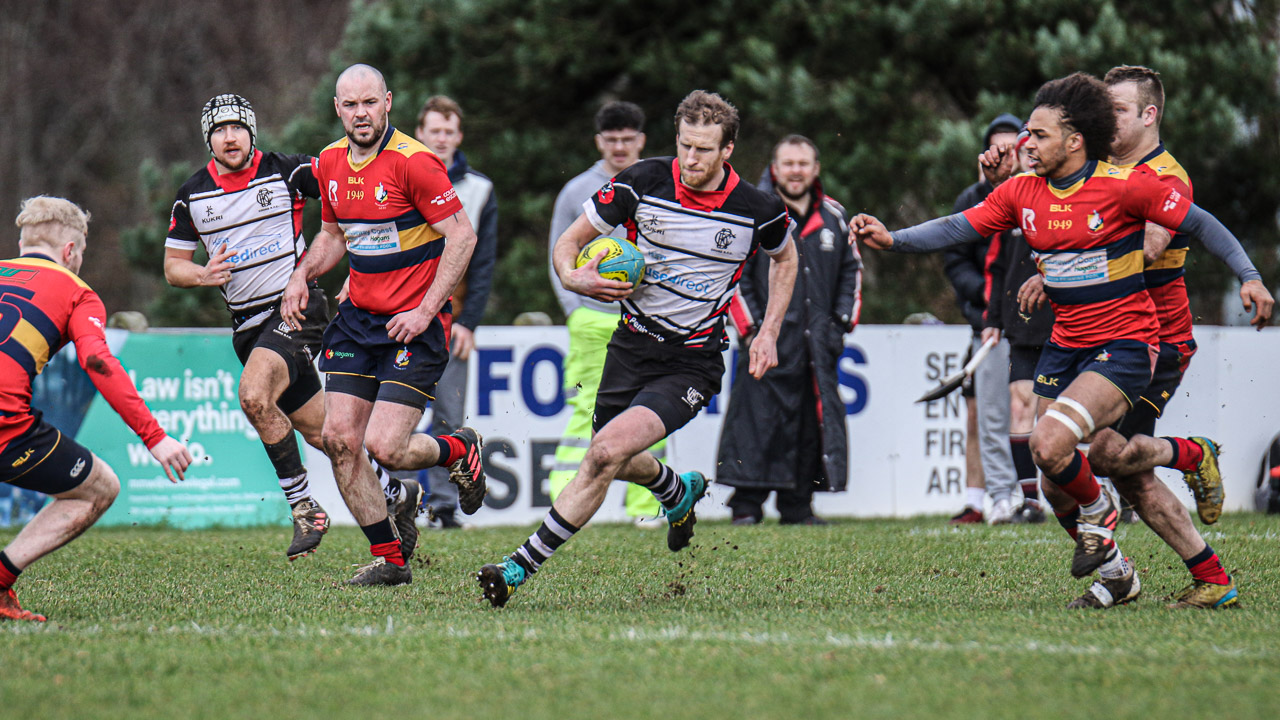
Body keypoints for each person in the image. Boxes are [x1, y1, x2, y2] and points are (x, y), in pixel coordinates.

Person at [853, 72, 1273, 609]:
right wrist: (892, 239)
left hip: (1127, 344)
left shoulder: (1129, 184)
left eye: (1039, 135)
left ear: (1075, 140)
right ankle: (1122, 574)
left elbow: (1203, 224)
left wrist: (1250, 275)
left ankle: (1113, 511)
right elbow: (961, 226)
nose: (1026, 144)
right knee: (1053, 478)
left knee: (1064, 447)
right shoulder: (1022, 191)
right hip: (1065, 345)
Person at [478, 90, 798, 607]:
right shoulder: (641, 181)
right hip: (629, 346)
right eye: (684, 146)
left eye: (704, 150)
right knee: (615, 457)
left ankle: (517, 567)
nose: (691, 160)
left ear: (728, 150)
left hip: (691, 363)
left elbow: (786, 259)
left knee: (604, 452)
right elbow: (569, 240)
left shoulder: (756, 209)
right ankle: (675, 489)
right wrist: (572, 277)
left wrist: (767, 332)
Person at [280, 64, 486, 586]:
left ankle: (458, 449)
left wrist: (423, 310)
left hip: (414, 325)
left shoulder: (415, 163)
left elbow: (462, 238)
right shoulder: (328, 161)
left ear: (388, 102)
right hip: (357, 323)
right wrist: (301, 274)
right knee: (339, 439)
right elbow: (332, 236)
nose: (361, 114)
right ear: (337, 109)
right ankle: (391, 560)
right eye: (350, 105)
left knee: (387, 448)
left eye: (369, 103)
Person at [165, 93, 369, 561]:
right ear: (208, 140)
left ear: (251, 132)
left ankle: (303, 508)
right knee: (327, 436)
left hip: (296, 308)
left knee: (254, 396)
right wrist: (202, 274)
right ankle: (397, 496)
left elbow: (347, 191)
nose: (229, 136)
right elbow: (173, 266)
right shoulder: (192, 195)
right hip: (248, 329)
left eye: (237, 127)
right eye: (219, 130)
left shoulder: (286, 170)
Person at [1, 196, 193, 621]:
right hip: (5, 429)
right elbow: (97, 362)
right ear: (70, 251)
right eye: (82, 253)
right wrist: (155, 438)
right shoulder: (76, 291)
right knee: (99, 487)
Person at [717, 134, 861, 525]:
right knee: (755, 423)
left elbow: (853, 272)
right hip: (767, 343)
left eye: (803, 163)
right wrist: (752, 331)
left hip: (817, 346)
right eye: (788, 163)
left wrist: (838, 325)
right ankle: (746, 505)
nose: (796, 171)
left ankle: (798, 505)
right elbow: (735, 277)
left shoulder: (834, 215)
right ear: (774, 168)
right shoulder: (753, 211)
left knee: (808, 427)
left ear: (815, 169)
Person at [546, 101, 662, 523]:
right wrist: (573, 308)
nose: (619, 147)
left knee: (648, 411)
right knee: (585, 407)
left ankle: (647, 510)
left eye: (627, 139)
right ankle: (565, 502)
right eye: (611, 139)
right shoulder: (577, 190)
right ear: (599, 141)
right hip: (592, 319)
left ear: (641, 140)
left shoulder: (661, 185)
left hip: (647, 317)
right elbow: (559, 249)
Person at [412, 95, 498, 528]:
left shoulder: (479, 189)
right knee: (398, 409)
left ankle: (444, 504)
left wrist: (468, 322)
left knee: (448, 413)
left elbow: (482, 264)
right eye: (434, 131)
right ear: (420, 133)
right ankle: (400, 498)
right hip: (401, 314)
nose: (442, 139)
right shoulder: (402, 176)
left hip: (450, 318)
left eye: (449, 131)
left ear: (458, 136)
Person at [945, 114, 1020, 524]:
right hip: (987, 324)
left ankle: (1037, 494)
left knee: (1032, 411)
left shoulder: (1038, 195)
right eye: (995, 150)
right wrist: (989, 301)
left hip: (1036, 325)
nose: (1002, 157)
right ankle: (994, 497)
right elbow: (955, 259)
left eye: (1011, 149)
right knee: (985, 412)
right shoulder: (970, 201)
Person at [981, 131, 1052, 524]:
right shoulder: (1008, 206)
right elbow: (994, 268)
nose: (1030, 154)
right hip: (1021, 326)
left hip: (1064, 325)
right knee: (1019, 406)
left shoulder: (1067, 197)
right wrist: (991, 319)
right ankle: (1031, 500)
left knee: (1056, 415)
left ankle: (1086, 493)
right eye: (1025, 150)